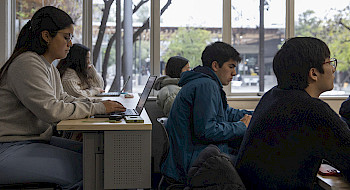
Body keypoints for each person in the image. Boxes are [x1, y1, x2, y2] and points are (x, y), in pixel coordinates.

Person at [0, 6, 125, 190]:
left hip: (32, 142)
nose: (71, 44)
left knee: (102, 158)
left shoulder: (48, 66)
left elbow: (63, 98)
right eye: (66, 37)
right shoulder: (27, 63)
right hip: (10, 148)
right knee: (95, 168)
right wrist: (98, 108)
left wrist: (98, 104)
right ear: (46, 36)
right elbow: (52, 110)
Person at [235, 37, 350, 189]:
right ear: (314, 73)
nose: (333, 69)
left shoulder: (272, 96)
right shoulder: (311, 110)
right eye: (329, 63)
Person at [160, 41, 253, 185]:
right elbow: (206, 131)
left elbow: (225, 113)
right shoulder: (206, 86)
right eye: (231, 67)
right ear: (215, 66)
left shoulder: (205, 83)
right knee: (252, 165)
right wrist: (241, 126)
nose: (234, 73)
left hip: (192, 156)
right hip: (193, 164)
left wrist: (255, 113)